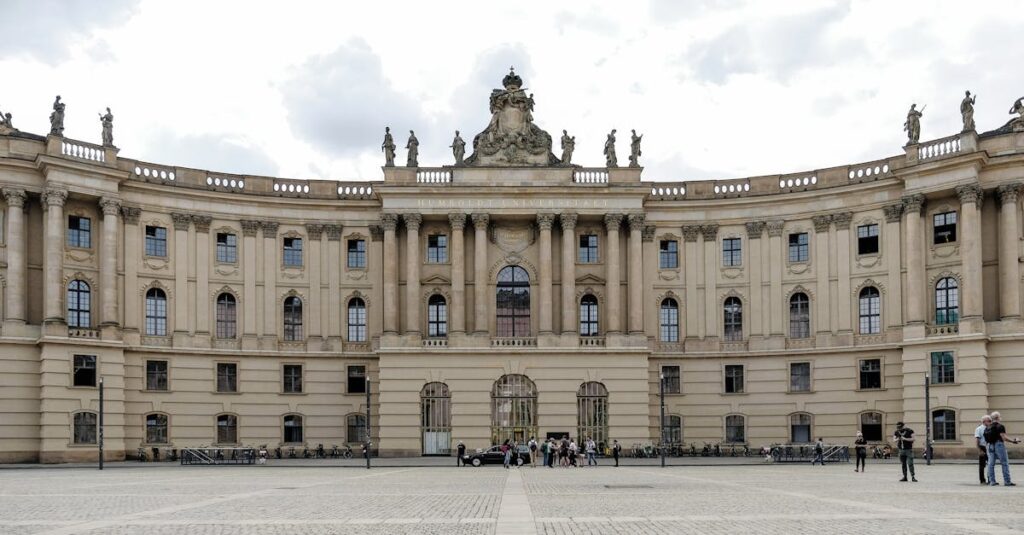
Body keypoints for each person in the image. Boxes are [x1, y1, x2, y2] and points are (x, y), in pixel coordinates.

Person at [984, 411, 1021, 486]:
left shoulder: (988, 427)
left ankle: (992, 481)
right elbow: (1003, 438)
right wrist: (1013, 441)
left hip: (990, 445)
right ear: (997, 418)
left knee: (991, 464)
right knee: (1004, 463)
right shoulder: (1000, 426)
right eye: (1000, 416)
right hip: (999, 445)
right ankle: (1007, 481)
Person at [975, 415, 990, 484]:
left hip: (989, 447)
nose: (990, 422)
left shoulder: (990, 428)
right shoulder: (979, 429)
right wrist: (979, 450)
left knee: (990, 464)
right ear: (984, 421)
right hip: (982, 447)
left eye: (990, 421)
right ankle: (982, 480)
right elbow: (977, 440)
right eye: (989, 421)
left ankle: (990, 479)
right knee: (982, 465)